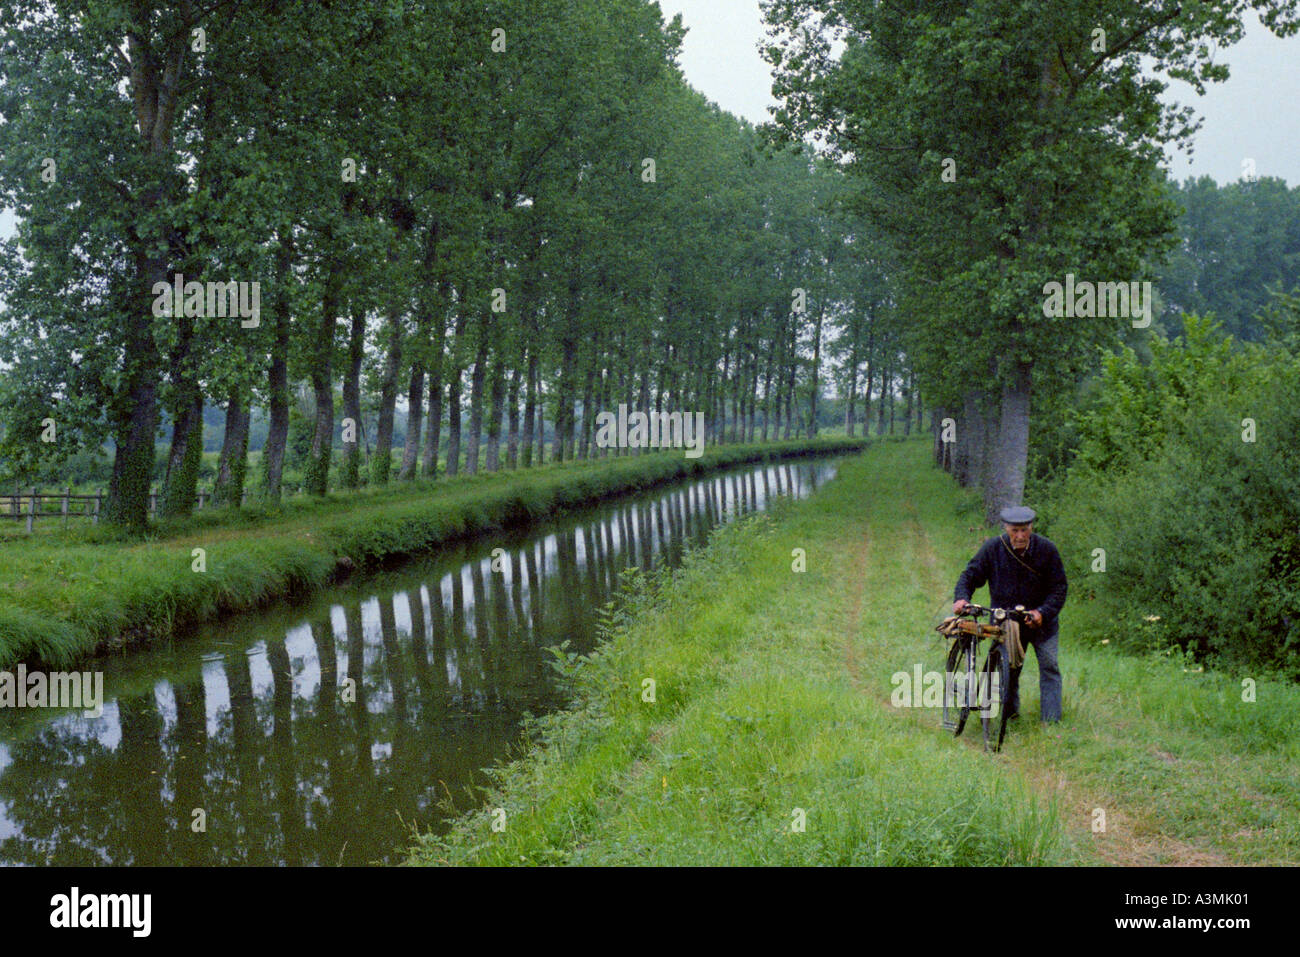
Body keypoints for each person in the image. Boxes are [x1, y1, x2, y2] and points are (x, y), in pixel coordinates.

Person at [951, 506, 1068, 724]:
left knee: (1049, 666)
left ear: (1031, 528)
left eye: (1024, 530)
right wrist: (961, 598)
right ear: (1006, 528)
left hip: (1043, 623)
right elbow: (970, 575)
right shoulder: (993, 548)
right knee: (1008, 671)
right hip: (1006, 621)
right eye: (1015, 530)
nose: (1020, 536)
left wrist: (1042, 612)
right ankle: (1010, 717)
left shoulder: (1047, 550)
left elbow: (1059, 588)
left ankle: (1051, 723)